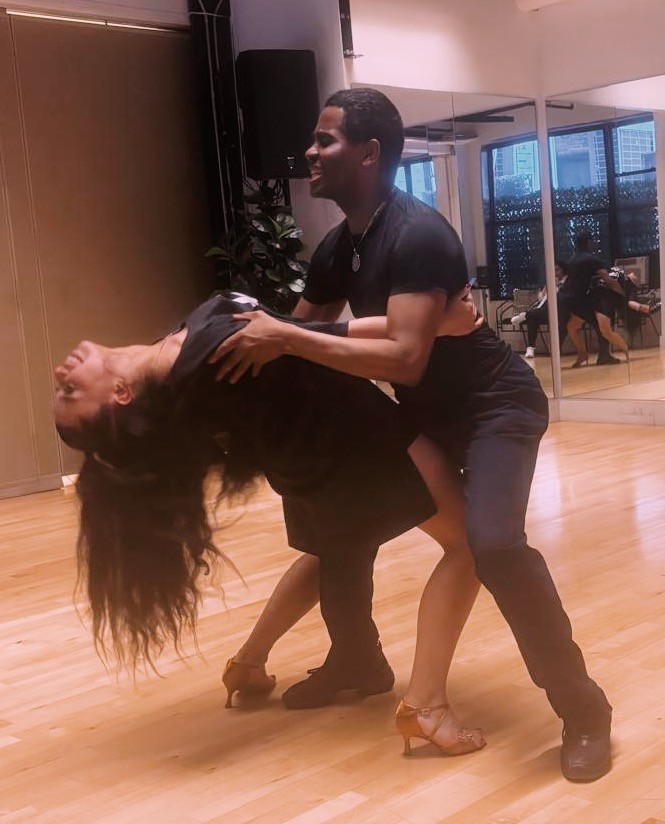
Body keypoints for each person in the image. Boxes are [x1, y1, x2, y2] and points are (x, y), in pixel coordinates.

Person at [209, 88, 612, 782]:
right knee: (343, 527)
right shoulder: (341, 245)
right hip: (425, 414)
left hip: (493, 407)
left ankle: (584, 710)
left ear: (369, 154)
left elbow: (401, 357)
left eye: (326, 140)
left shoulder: (418, 235)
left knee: (492, 544)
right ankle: (353, 664)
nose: (310, 152)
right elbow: (298, 336)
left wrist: (291, 337)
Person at [54, 291, 486, 757]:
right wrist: (433, 324)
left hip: (310, 458)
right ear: (121, 393)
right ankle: (427, 705)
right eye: (71, 391)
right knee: (471, 545)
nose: (61, 374)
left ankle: (248, 662)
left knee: (331, 554)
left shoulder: (175, 364)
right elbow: (315, 336)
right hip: (361, 443)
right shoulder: (208, 354)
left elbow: (297, 334)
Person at [559, 232, 627, 367]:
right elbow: (608, 280)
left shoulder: (571, 259)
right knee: (602, 325)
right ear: (589, 242)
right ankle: (608, 355)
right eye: (593, 241)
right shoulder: (592, 259)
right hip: (578, 298)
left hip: (564, 298)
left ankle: (583, 354)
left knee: (571, 326)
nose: (595, 244)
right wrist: (622, 294)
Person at [510, 262, 569, 358]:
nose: (555, 273)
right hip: (543, 312)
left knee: (536, 313)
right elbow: (541, 299)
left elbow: (562, 298)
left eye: (557, 270)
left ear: (563, 270)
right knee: (533, 318)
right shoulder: (551, 282)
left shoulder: (567, 282)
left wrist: (557, 285)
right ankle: (530, 348)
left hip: (559, 312)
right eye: (553, 270)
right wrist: (546, 287)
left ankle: (524, 315)